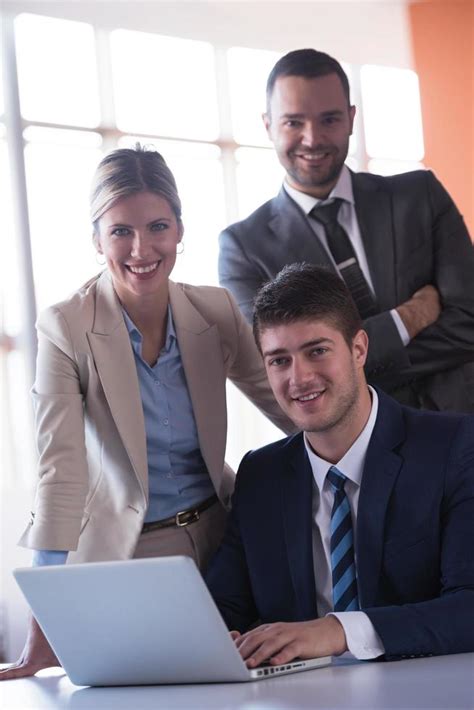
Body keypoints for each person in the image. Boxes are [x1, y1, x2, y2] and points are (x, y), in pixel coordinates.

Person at [0, 146, 293, 680]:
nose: (141, 248)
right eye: (120, 232)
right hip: (129, 557)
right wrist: (48, 619)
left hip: (221, 538)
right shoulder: (66, 327)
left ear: (180, 229)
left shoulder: (216, 310)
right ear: (96, 240)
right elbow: (60, 474)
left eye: (158, 226)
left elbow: (288, 405)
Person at [207, 263, 474, 664]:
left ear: (359, 348)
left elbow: (468, 607)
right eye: (279, 360)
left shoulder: (453, 448)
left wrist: (338, 631)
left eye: (316, 351)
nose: (299, 378)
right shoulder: (261, 476)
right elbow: (220, 610)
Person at [218, 49, 474, 412]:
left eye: (329, 119)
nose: (312, 138)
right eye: (293, 122)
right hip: (365, 459)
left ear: (351, 119)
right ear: (268, 125)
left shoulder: (420, 196)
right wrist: (408, 317)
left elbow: (471, 323)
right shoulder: (243, 249)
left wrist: (347, 370)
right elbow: (290, 381)